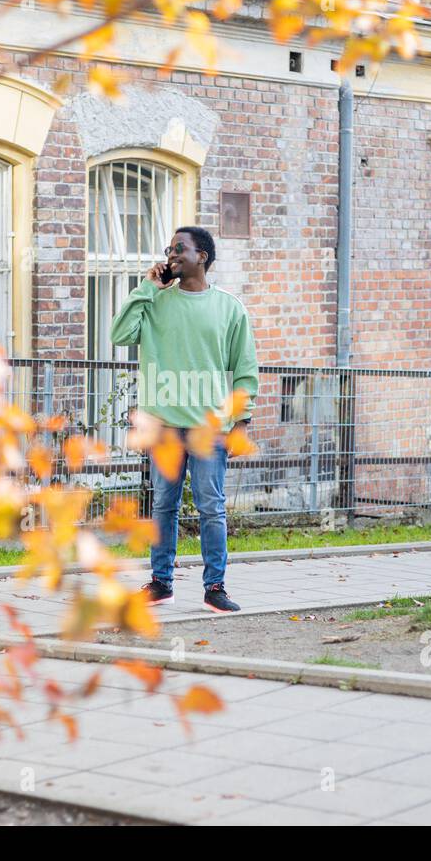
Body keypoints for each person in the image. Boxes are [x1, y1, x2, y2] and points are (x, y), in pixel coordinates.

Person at [108, 226, 259, 613]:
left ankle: (215, 587)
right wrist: (146, 288)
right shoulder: (155, 302)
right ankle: (161, 583)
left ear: (201, 257)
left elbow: (244, 370)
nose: (171, 255)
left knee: (212, 508)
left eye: (180, 249)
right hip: (163, 425)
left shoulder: (230, 308)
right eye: (169, 250)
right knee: (163, 506)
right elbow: (120, 334)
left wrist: (242, 422)